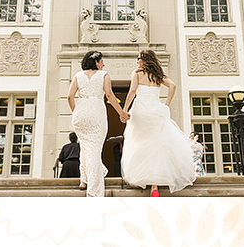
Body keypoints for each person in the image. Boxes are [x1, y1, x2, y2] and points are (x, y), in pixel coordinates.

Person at [121, 49, 196, 196]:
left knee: (139, 143)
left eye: (139, 59)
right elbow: (173, 86)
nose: (137, 61)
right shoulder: (158, 75)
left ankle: (145, 178)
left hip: (141, 109)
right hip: (156, 108)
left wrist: (125, 110)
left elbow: (132, 91)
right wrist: (166, 104)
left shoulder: (136, 73)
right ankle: (154, 184)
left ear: (144, 60)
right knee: (157, 144)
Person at [67, 50, 129, 197]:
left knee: (85, 146)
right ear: (96, 62)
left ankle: (84, 180)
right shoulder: (104, 75)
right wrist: (121, 113)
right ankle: (93, 190)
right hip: (96, 112)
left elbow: (70, 96)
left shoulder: (78, 75)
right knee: (94, 150)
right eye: (101, 61)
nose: (103, 64)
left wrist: (76, 111)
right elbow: (109, 95)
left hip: (80, 112)